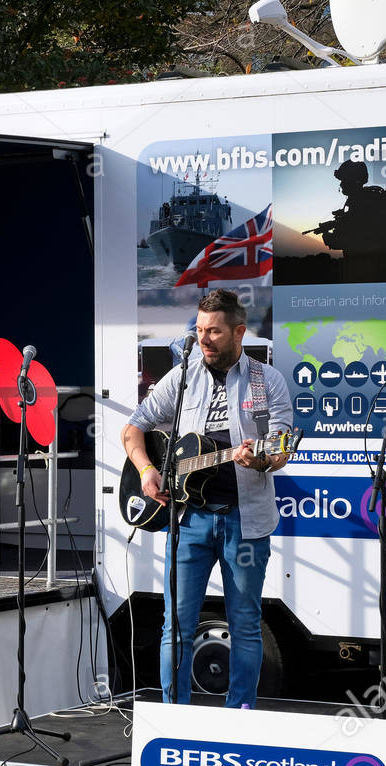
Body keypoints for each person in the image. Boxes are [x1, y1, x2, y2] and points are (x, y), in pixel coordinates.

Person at [121, 288, 293, 708]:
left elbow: (282, 449)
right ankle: (173, 719)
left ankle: (239, 720)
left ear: (239, 332)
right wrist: (146, 469)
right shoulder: (183, 376)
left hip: (245, 521)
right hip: (188, 520)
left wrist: (261, 462)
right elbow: (134, 428)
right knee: (175, 627)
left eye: (214, 331)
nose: (204, 339)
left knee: (246, 624)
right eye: (199, 329)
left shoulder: (266, 380)